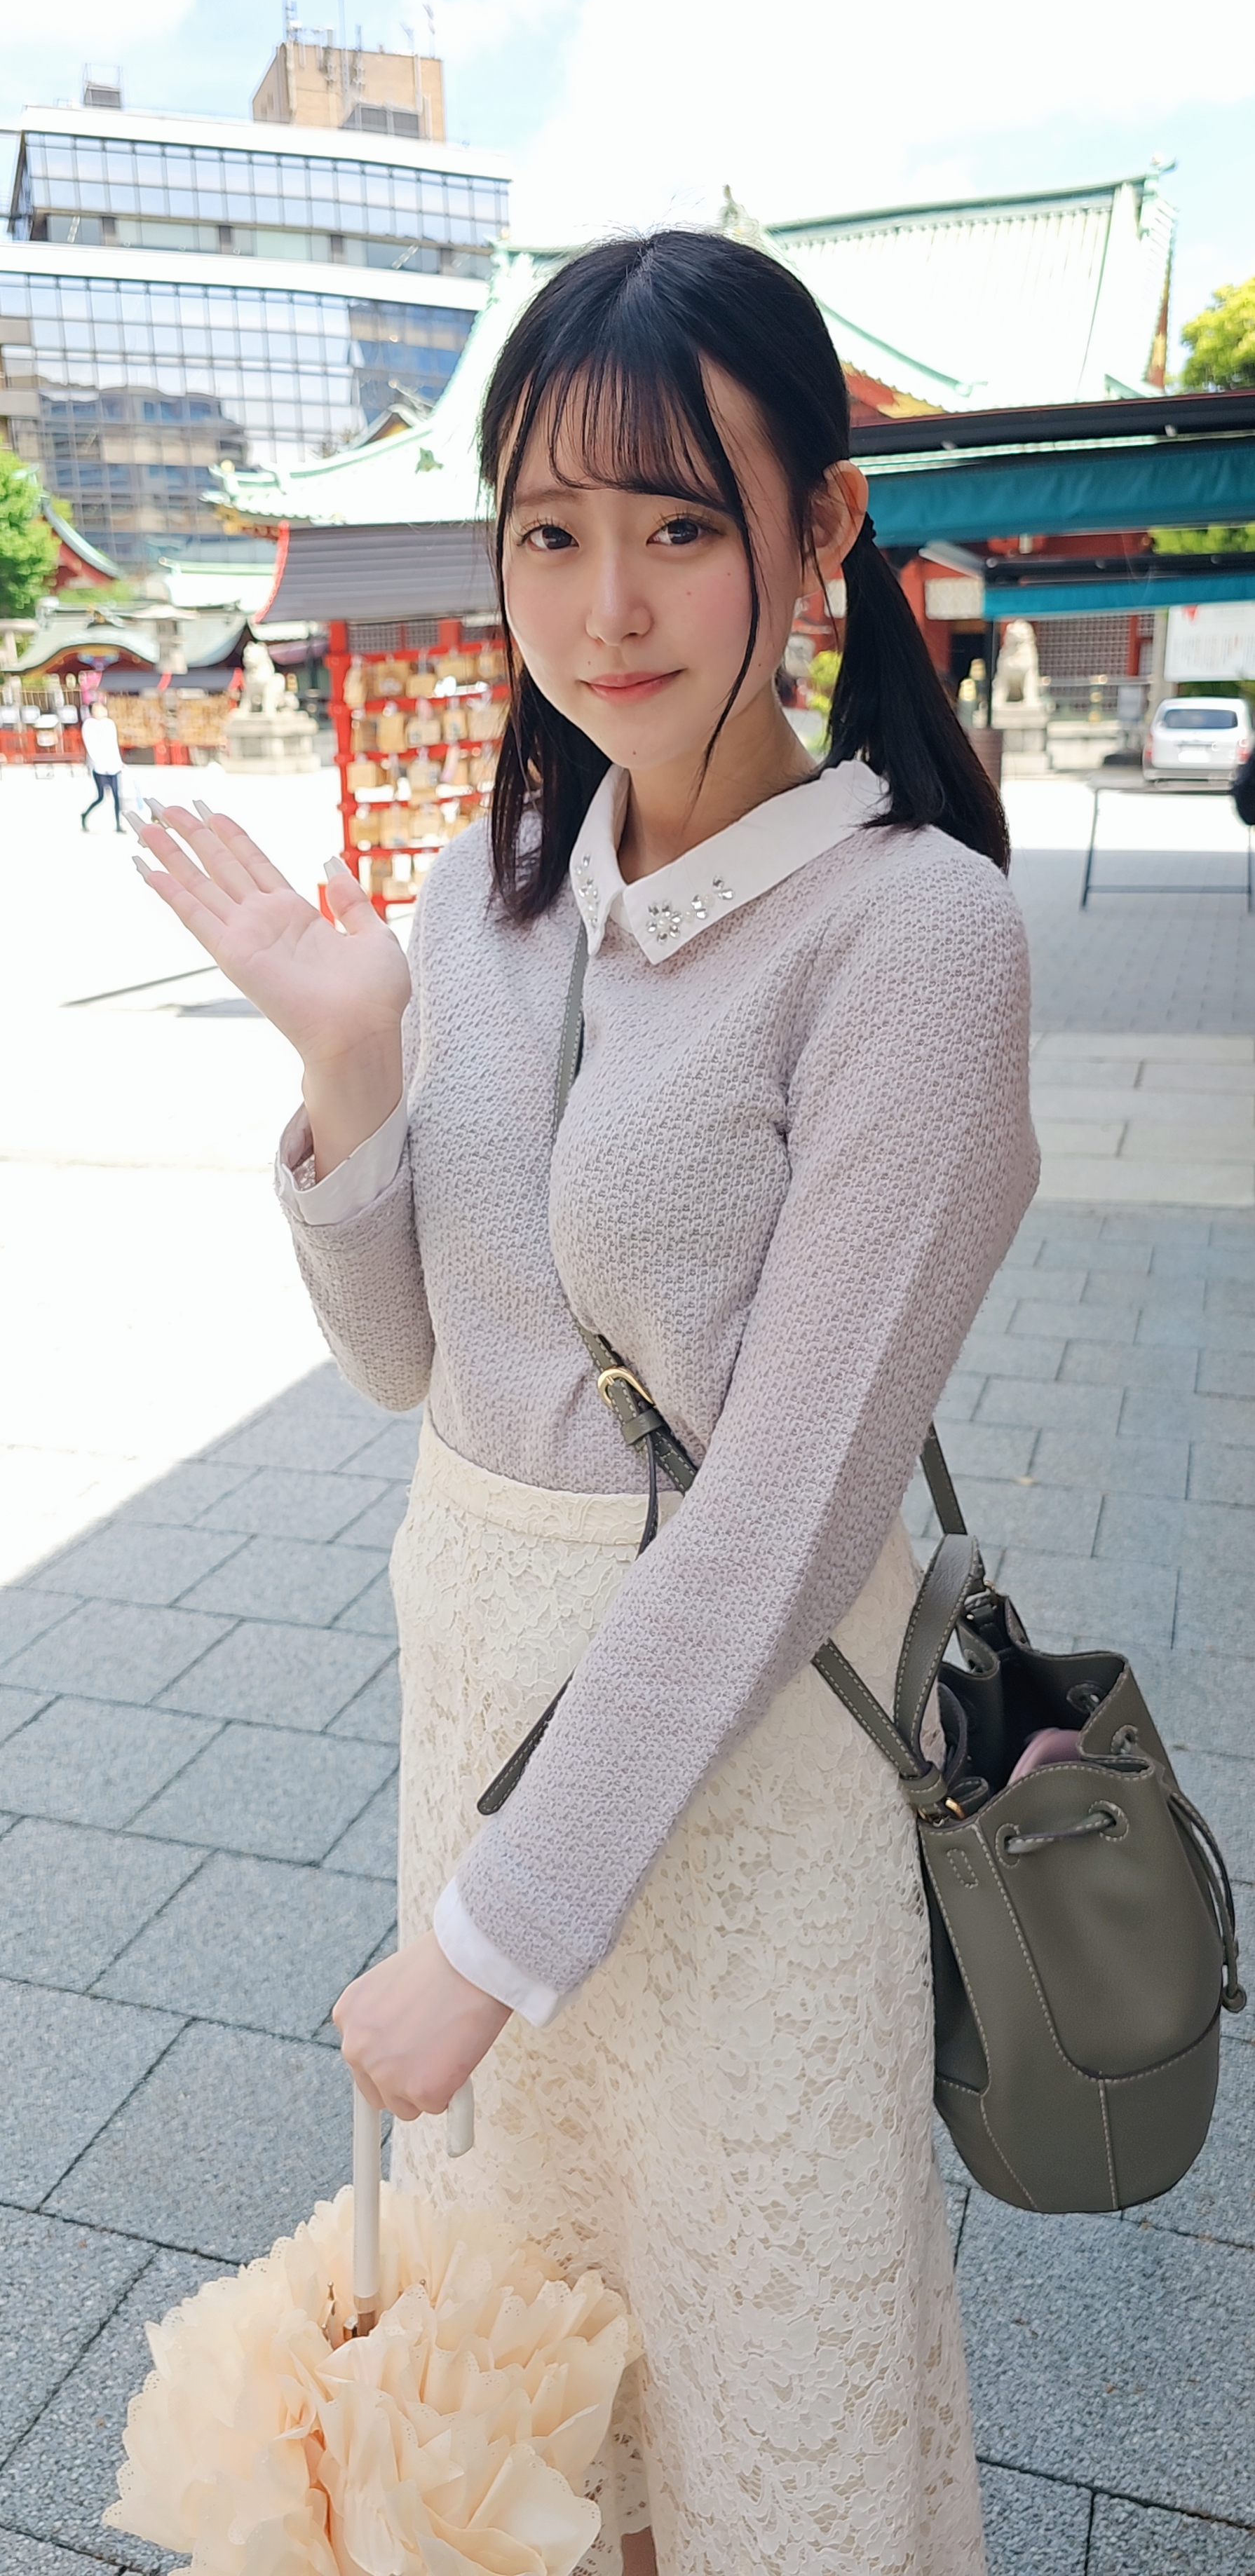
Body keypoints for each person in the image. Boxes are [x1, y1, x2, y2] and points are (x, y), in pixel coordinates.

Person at [128, 230, 1038, 2576]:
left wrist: (487, 1938)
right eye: (548, 531)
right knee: (534, 2408)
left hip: (733, 1774)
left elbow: (787, 1512)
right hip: (484, 1709)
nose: (604, 603)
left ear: (820, 534)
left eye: (677, 525)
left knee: (752, 2379)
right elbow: (409, 1366)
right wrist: (352, 1067)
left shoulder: (911, 938)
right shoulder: (489, 897)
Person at [80, 697, 125, 831]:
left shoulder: (109, 723)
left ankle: (118, 825)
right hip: (99, 766)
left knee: (117, 796)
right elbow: (91, 746)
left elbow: (113, 745)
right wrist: (94, 763)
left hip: (113, 766)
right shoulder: (89, 725)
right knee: (101, 797)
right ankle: (85, 815)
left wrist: (119, 762)